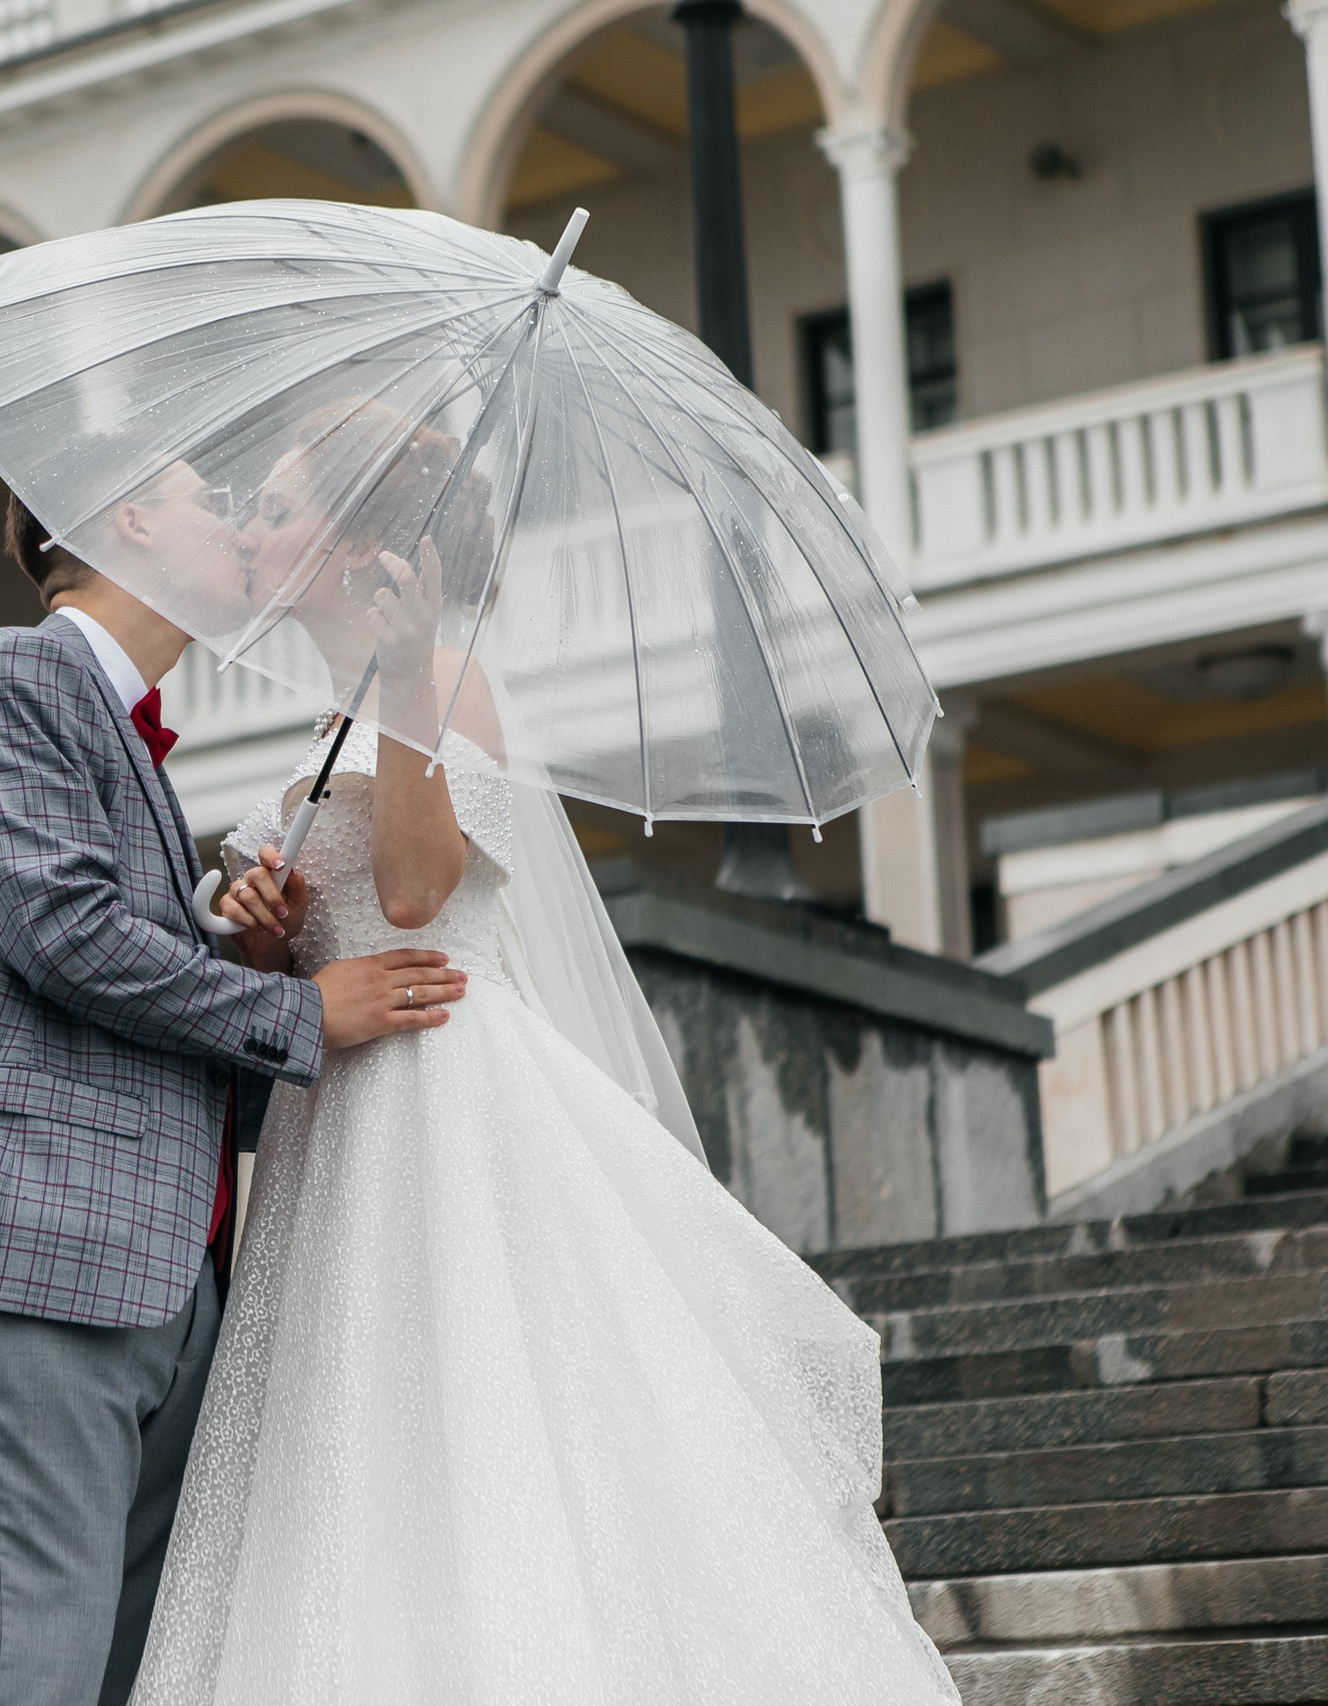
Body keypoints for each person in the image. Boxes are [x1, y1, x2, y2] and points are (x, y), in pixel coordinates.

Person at [122, 424, 959, 1704]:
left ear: (355, 548)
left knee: (471, 1408)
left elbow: (412, 893)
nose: (246, 529)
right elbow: (316, 952)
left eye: (274, 506)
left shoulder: (443, 682)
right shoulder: (325, 723)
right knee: (358, 1439)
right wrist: (271, 932)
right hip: (338, 1114)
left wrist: (404, 681)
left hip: (438, 1097)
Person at [0, 468, 469, 1706]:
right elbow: (64, 933)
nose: (241, 519)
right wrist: (299, 1006)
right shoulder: (12, 672)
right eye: (209, 496)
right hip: (25, 1242)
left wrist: (242, 952)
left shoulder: (127, 732)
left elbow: (107, 986)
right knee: (41, 1660)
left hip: (161, 1265)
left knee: (130, 1667)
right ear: (125, 521)